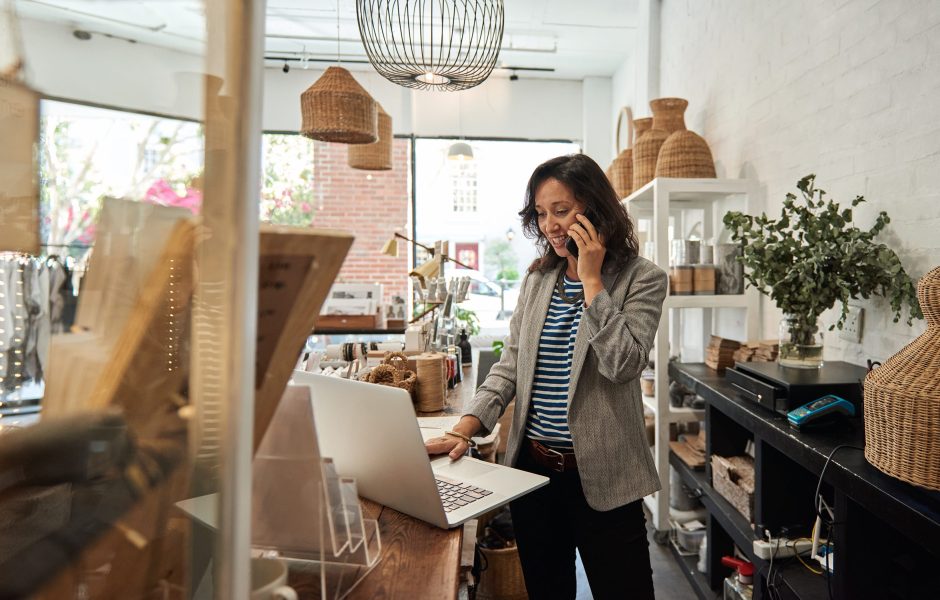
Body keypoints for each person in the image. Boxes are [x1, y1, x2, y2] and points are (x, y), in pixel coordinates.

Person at [425, 153, 668, 600]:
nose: (550, 225)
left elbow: (624, 364)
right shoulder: (538, 281)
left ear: (595, 209)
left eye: (561, 210)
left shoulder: (642, 278)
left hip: (607, 478)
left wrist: (592, 283)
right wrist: (467, 425)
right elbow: (510, 366)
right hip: (534, 477)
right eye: (541, 213)